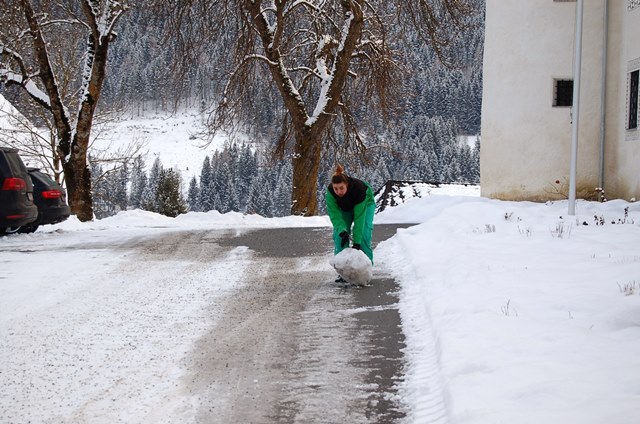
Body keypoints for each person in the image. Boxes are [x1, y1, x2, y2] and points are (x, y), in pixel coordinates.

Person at [326, 164, 376, 281]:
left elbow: (359, 219)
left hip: (365, 204)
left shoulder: (359, 190)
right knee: (340, 237)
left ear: (347, 185)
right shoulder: (330, 193)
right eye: (336, 188)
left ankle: (366, 272)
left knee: (363, 236)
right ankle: (343, 273)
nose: (338, 191)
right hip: (345, 208)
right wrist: (342, 230)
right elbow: (335, 216)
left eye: (341, 188)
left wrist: (357, 242)